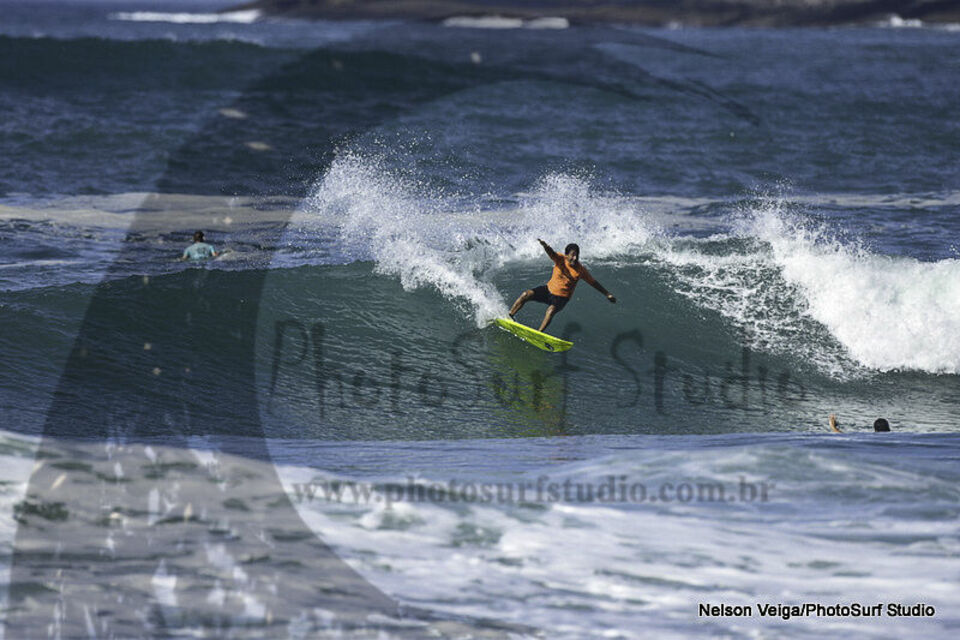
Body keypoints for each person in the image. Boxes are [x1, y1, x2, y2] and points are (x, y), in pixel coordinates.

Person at [509, 238, 616, 332]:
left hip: (562, 298)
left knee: (550, 311)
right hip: (548, 289)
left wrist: (607, 294)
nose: (575, 258)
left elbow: (593, 282)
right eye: (573, 255)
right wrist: (545, 246)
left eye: (577, 255)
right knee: (525, 294)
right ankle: (510, 316)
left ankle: (539, 333)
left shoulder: (580, 270)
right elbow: (551, 253)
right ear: (566, 255)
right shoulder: (560, 259)